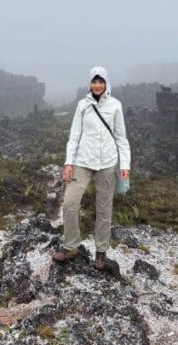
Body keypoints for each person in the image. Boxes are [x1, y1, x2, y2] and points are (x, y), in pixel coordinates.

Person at [53, 66, 131, 269]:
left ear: (106, 83)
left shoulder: (115, 105)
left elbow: (121, 137)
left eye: (101, 81)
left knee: (104, 208)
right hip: (83, 161)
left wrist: (125, 164)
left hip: (107, 162)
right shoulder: (83, 105)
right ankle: (71, 246)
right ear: (90, 83)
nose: (97, 85)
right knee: (70, 203)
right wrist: (68, 163)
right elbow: (74, 136)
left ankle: (101, 252)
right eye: (94, 82)